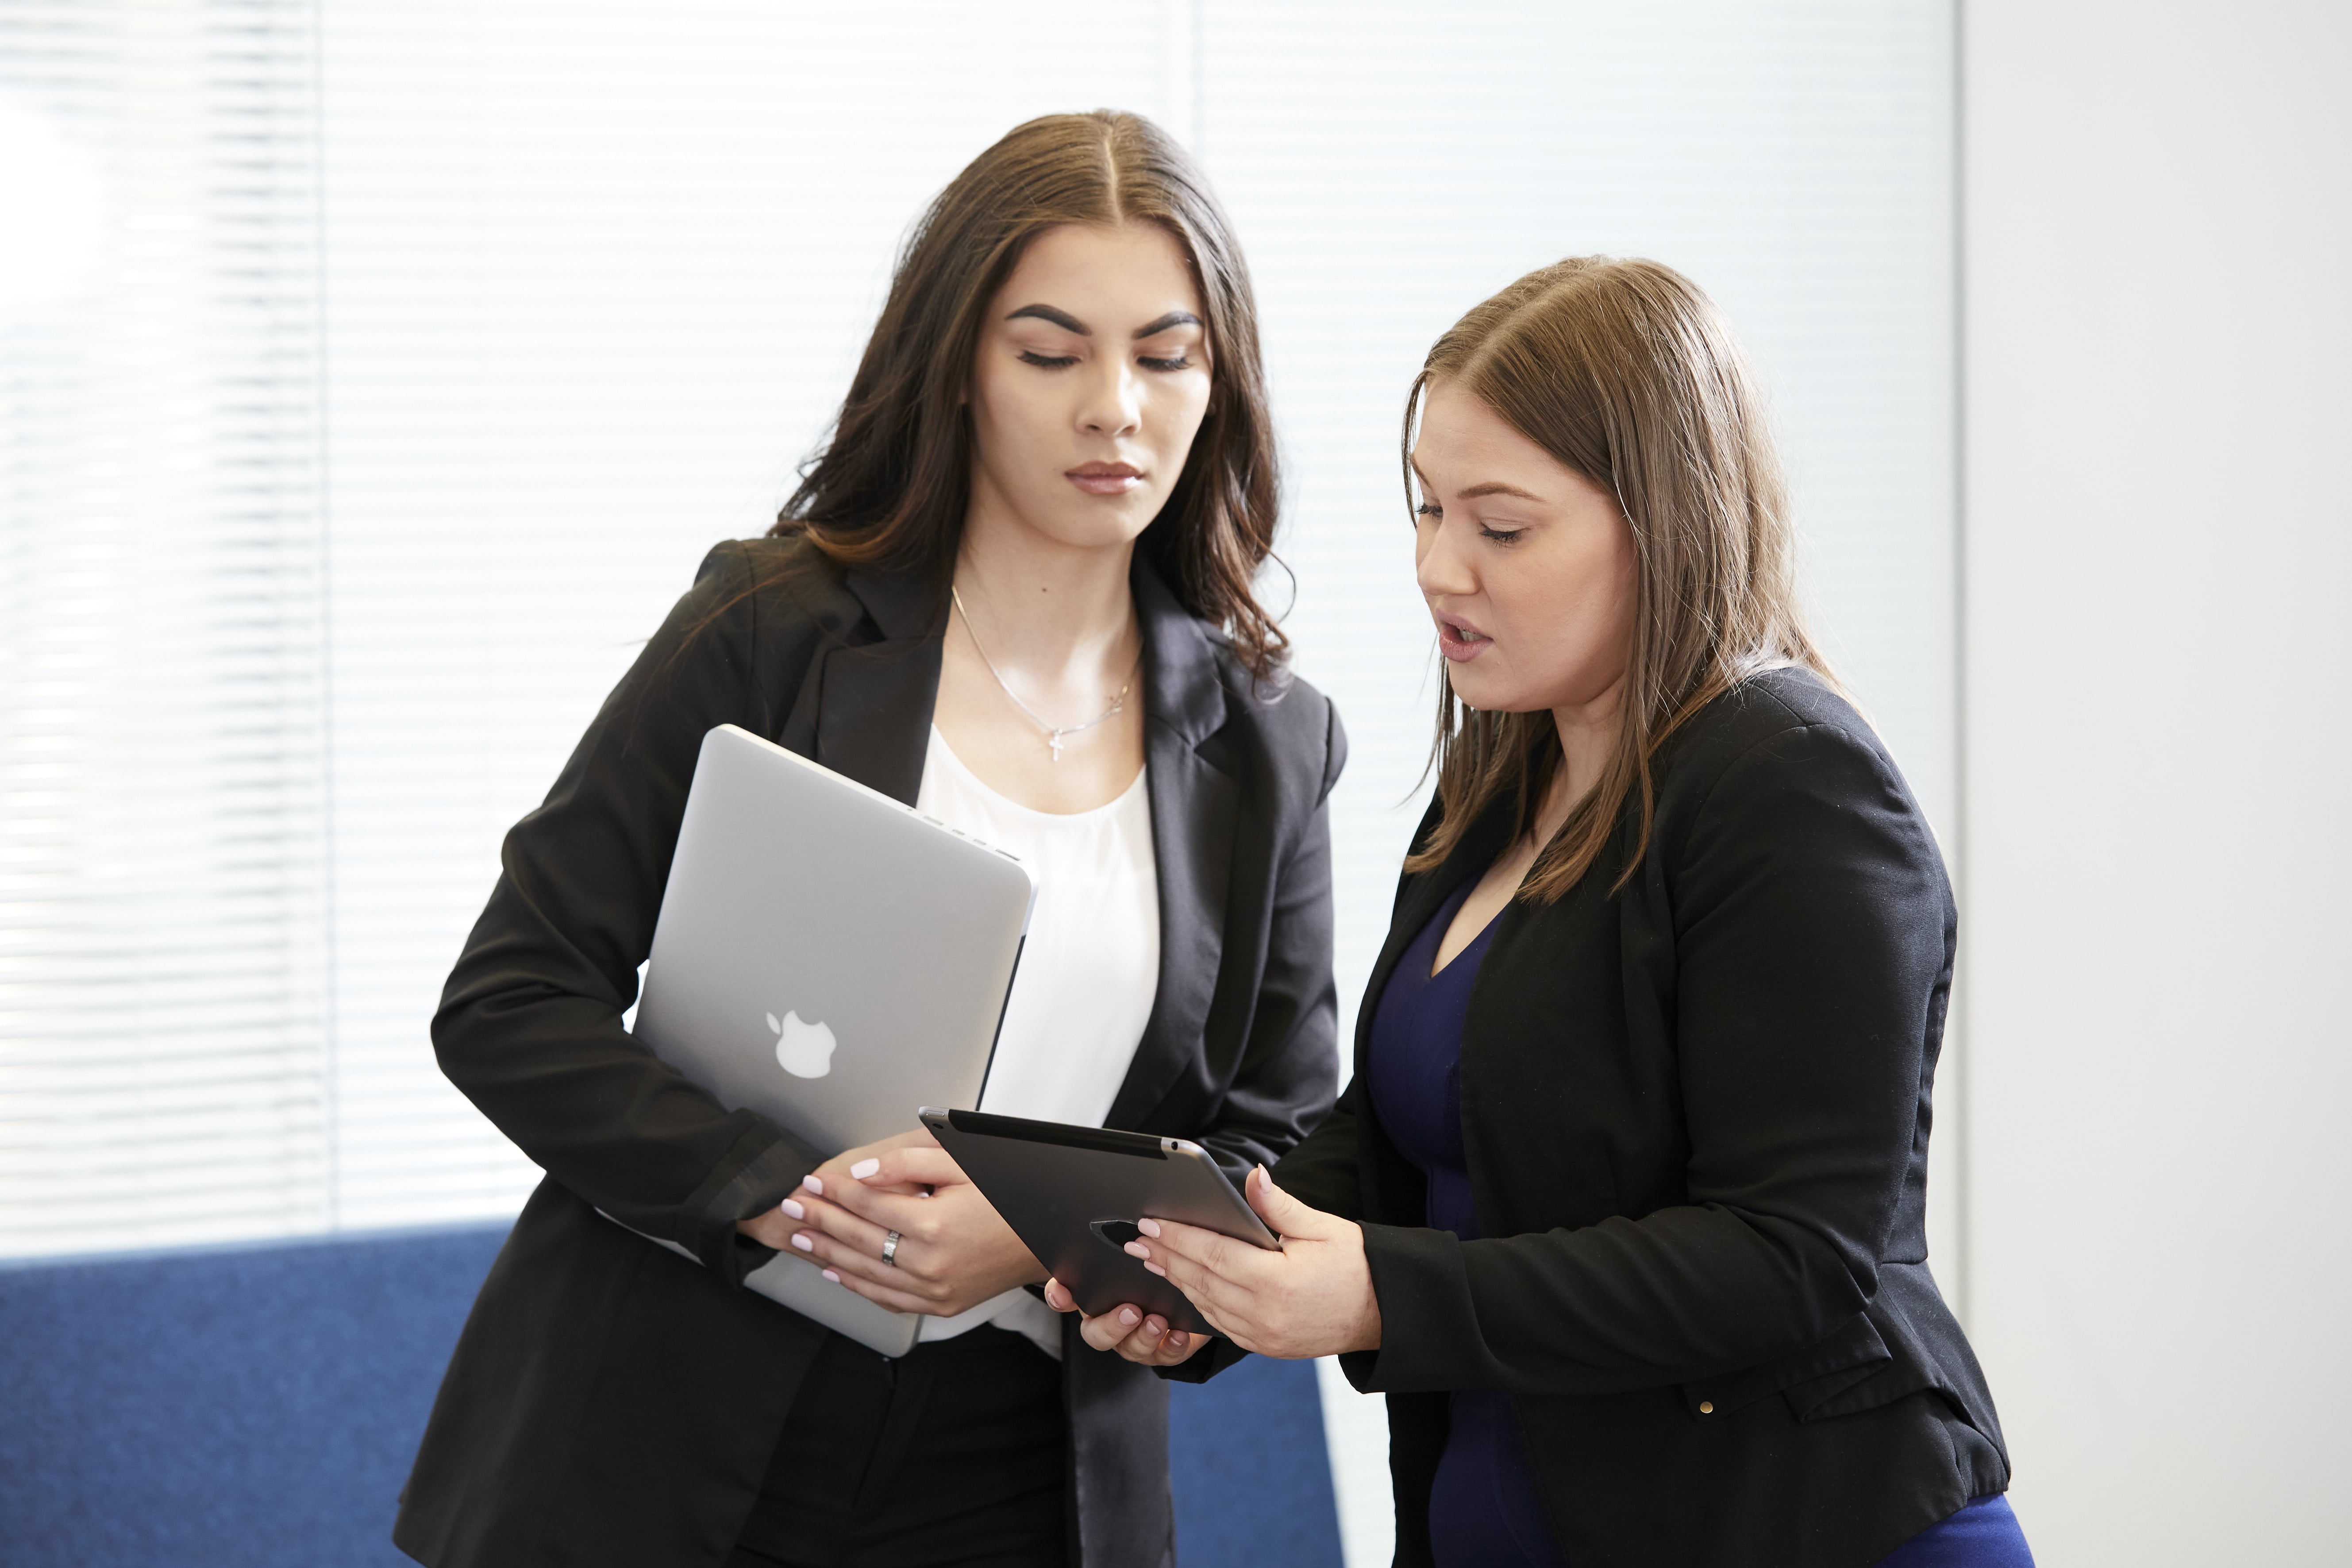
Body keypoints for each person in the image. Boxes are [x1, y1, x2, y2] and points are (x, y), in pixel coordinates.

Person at [394, 111, 1345, 1568]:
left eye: (1165, 354)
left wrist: (1039, 1238)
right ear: (959, 367)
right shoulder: (776, 628)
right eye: (1050, 353)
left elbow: (1274, 1134)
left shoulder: (1270, 736)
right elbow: (512, 1000)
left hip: (1023, 1469)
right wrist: (795, 1203)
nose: (1115, 408)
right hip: (668, 1431)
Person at [1055, 257, 2032, 1568]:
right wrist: (1213, 1264)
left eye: (1499, 528)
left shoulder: (1792, 787)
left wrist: (1376, 1296)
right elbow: (1414, 1132)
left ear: (1664, 521)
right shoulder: (1500, 771)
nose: (1435, 568)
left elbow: (1790, 1255)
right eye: (1424, 510)